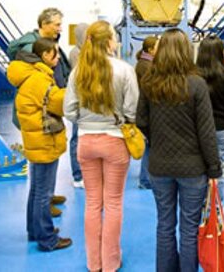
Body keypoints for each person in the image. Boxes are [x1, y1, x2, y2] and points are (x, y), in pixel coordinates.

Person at [136, 28, 222, 272]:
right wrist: (214, 167)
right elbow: (206, 131)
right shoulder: (196, 84)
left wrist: (157, 138)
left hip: (159, 165)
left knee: (164, 225)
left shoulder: (150, 83)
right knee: (189, 228)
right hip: (192, 169)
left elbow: (141, 120)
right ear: (187, 52)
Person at [63, 21, 139, 272]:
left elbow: (68, 111)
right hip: (115, 141)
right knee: (114, 203)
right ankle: (110, 261)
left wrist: (86, 121)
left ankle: (93, 262)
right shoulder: (124, 70)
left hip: (86, 142)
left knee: (93, 202)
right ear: (108, 42)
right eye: (115, 37)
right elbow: (131, 110)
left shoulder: (78, 72)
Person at [8, 7, 78, 218]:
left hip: (48, 105)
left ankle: (47, 195)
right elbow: (39, 88)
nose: (60, 28)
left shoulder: (47, 46)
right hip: (41, 110)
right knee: (42, 159)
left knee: (46, 160)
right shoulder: (33, 52)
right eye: (56, 24)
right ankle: (43, 203)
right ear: (44, 24)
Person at [7, 38, 72, 252]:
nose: (57, 59)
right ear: (45, 56)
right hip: (44, 141)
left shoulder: (29, 74)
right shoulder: (39, 79)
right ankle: (47, 239)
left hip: (35, 139)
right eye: (55, 55)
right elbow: (59, 104)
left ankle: (35, 231)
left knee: (36, 190)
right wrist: (75, 90)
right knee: (43, 193)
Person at [196, 34, 224, 206]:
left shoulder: (194, 76)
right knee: (219, 167)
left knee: (198, 167)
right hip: (222, 128)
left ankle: (198, 204)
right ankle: (216, 207)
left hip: (198, 129)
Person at [67, 22, 89, 189]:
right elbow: (80, 77)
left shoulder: (87, 52)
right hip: (79, 101)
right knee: (76, 138)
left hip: (89, 102)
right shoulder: (76, 53)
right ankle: (78, 174)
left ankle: (86, 172)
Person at [135, 35, 158, 190]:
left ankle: (146, 177)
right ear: (150, 49)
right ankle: (145, 179)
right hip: (148, 109)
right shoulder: (146, 66)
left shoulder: (145, 64)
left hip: (146, 108)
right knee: (150, 145)